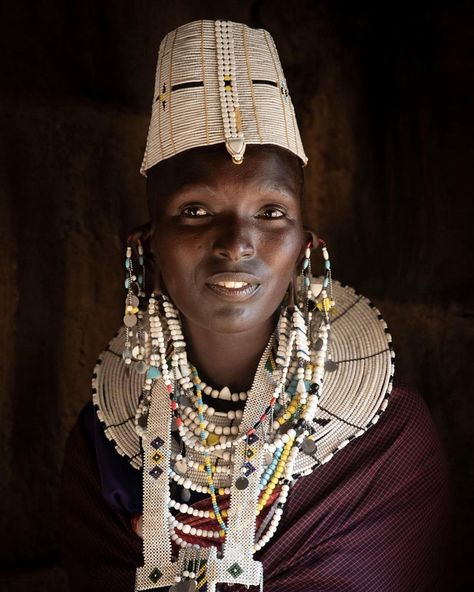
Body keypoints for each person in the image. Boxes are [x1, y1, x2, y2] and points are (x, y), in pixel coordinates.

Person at [60, 19, 451, 592]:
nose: (236, 243)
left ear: (307, 246)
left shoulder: (387, 446)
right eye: (195, 211)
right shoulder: (104, 450)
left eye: (271, 213)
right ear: (144, 246)